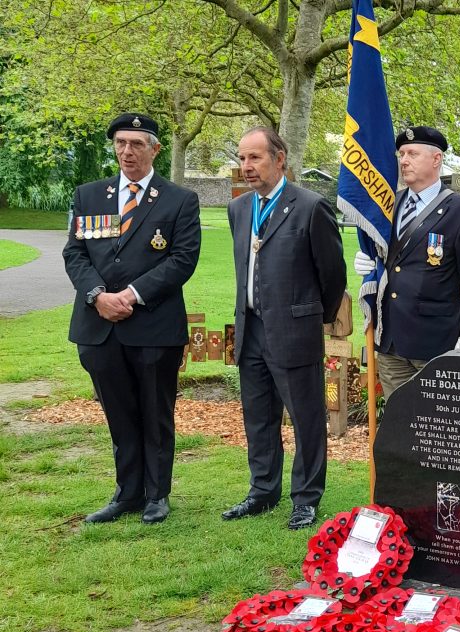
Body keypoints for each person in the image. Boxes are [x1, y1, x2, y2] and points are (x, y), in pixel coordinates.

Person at [63, 112, 202, 525]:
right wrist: (97, 296)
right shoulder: (89, 195)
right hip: (98, 327)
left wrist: (131, 295)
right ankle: (127, 493)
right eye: (121, 143)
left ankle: (157, 494)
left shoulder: (179, 199)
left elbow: (182, 260)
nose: (127, 151)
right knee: (118, 413)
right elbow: (75, 253)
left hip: (153, 326)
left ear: (154, 149)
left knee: (155, 413)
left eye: (137, 144)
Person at [221, 126, 346, 530]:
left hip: (293, 331)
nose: (246, 167)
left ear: (280, 159)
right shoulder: (239, 209)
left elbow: (333, 276)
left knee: (305, 418)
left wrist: (310, 315)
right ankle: (262, 490)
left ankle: (305, 499)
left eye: (254, 157)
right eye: (242, 158)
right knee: (257, 416)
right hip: (251, 329)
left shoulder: (310, 206)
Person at [353, 126, 460, 397]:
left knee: (436, 429)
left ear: (436, 159)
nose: (403, 161)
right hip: (390, 338)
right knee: (399, 425)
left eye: (413, 154)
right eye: (402, 154)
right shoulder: (389, 205)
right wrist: (368, 262)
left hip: (435, 343)